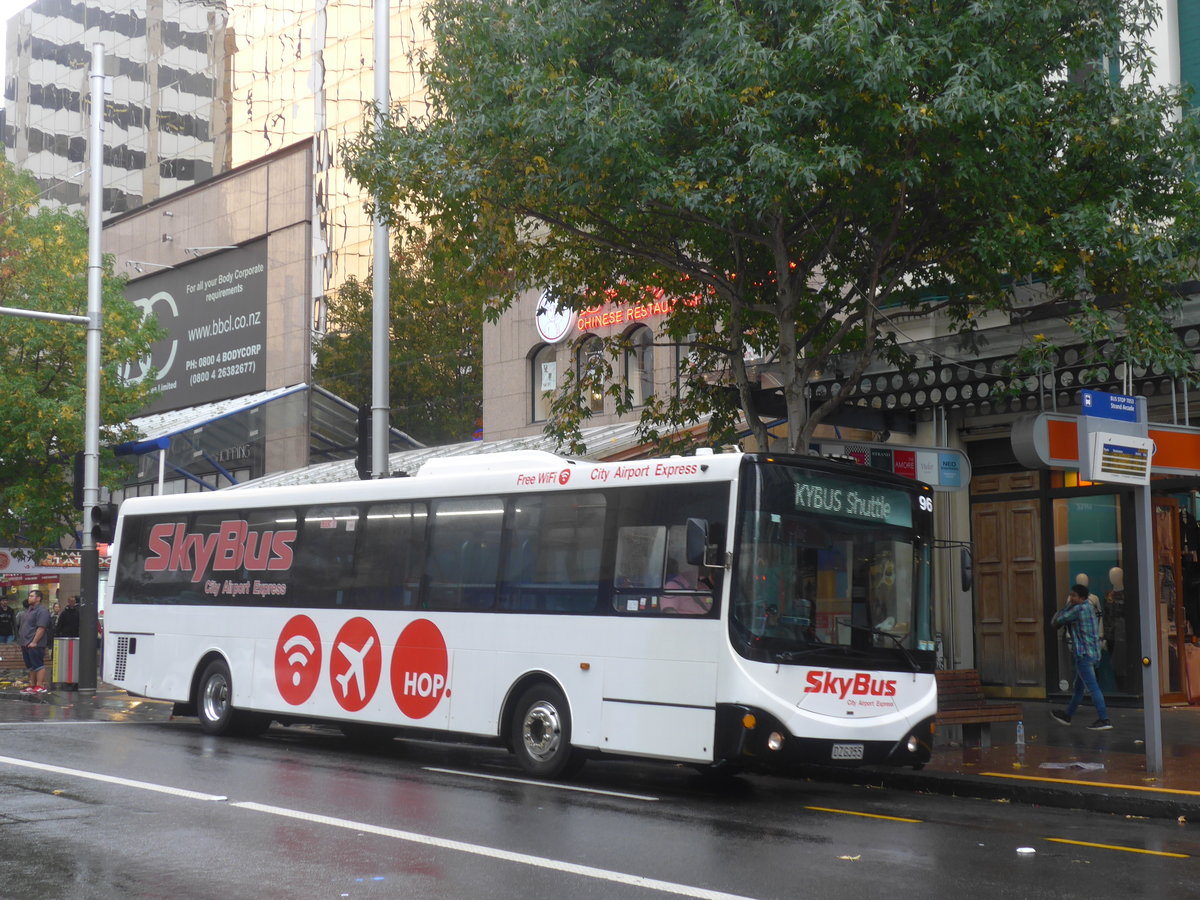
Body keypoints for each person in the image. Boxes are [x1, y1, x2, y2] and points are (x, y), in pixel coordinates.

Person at [1051, 583, 1111, 730]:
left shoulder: (1077, 610)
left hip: (1083, 654)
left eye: (1073, 595)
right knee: (1078, 688)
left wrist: (1066, 607)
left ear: (1081, 597)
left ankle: (1104, 719)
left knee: (1093, 687)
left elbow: (1056, 621)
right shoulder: (1089, 607)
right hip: (1093, 653)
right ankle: (1067, 715)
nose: (1071, 598)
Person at [18, 588, 52, 694]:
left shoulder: (42, 611)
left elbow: (41, 628)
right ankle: (32, 685)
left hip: (35, 643)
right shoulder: (29, 610)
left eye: (32, 596)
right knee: (31, 666)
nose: (29, 598)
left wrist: (34, 641)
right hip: (25, 642)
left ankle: (40, 685)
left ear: (38, 598)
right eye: (29, 596)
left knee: (38, 664)